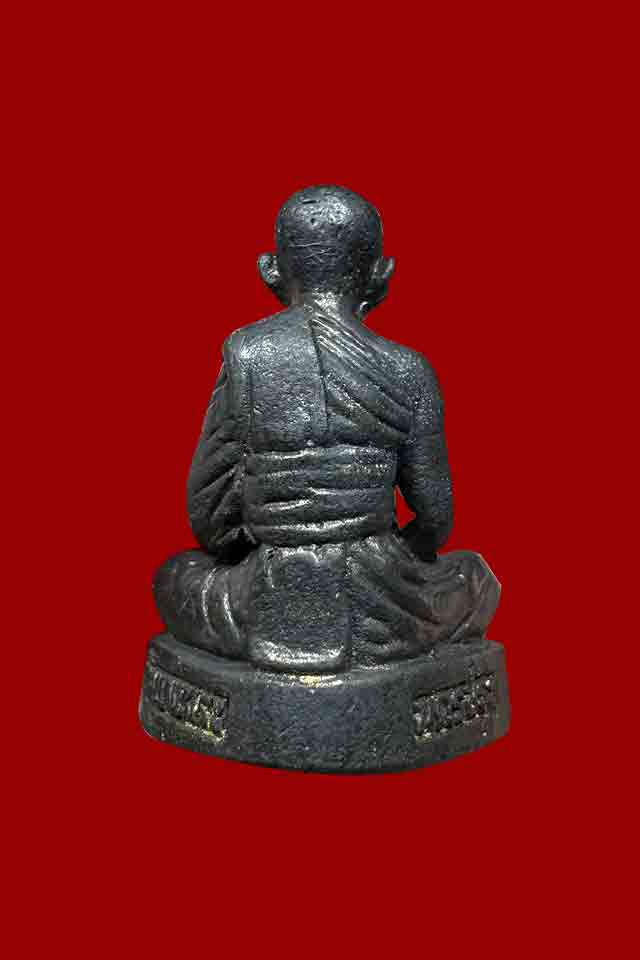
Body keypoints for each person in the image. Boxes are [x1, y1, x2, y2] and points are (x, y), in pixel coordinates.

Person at [154, 185, 499, 673]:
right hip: (386, 603)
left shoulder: (248, 353)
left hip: (268, 593)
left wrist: (259, 544)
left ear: (270, 270)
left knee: (175, 574)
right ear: (381, 274)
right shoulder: (409, 369)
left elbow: (209, 513)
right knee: (473, 575)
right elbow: (435, 520)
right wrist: (386, 558)